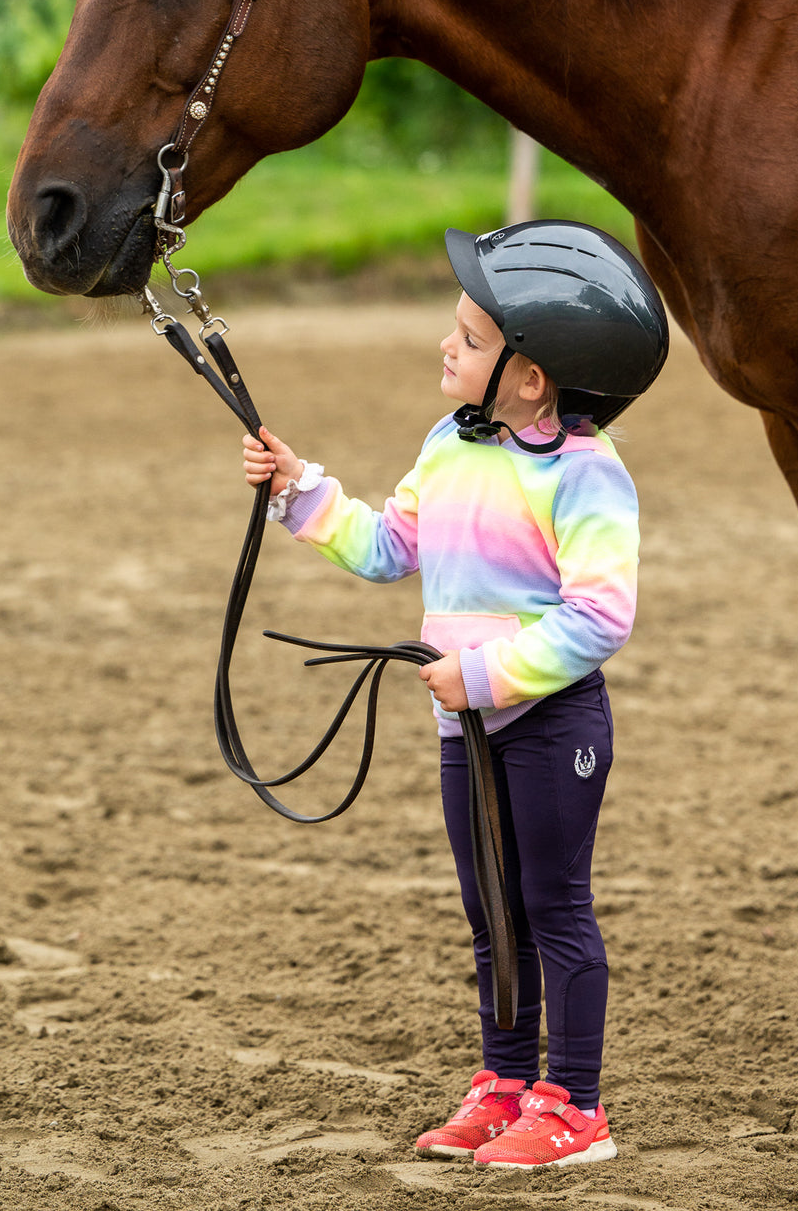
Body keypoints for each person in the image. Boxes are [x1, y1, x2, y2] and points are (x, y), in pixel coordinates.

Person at [240, 222, 668, 1171]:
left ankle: (577, 1107)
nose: (448, 344)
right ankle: (507, 1081)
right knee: (491, 914)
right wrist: (301, 490)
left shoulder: (588, 478)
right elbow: (390, 548)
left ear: (532, 377)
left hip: (550, 724)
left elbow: (601, 616)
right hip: (463, 727)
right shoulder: (447, 443)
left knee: (553, 906)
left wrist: (480, 675)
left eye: (471, 338)